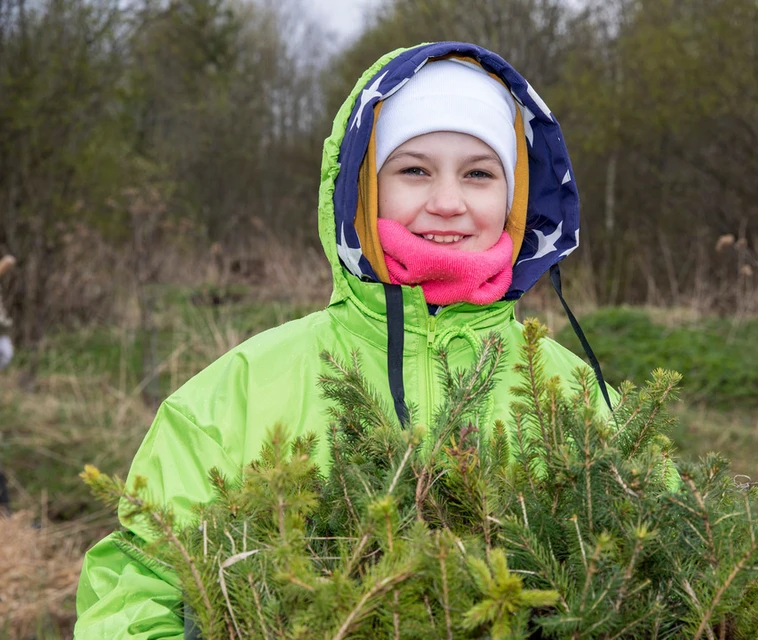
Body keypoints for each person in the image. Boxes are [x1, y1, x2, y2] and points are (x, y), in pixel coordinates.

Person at [75, 42, 617, 638]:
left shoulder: (576, 397)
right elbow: (138, 588)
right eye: (413, 170)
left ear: (516, 199)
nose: (447, 202)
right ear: (362, 187)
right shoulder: (244, 388)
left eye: (480, 174)